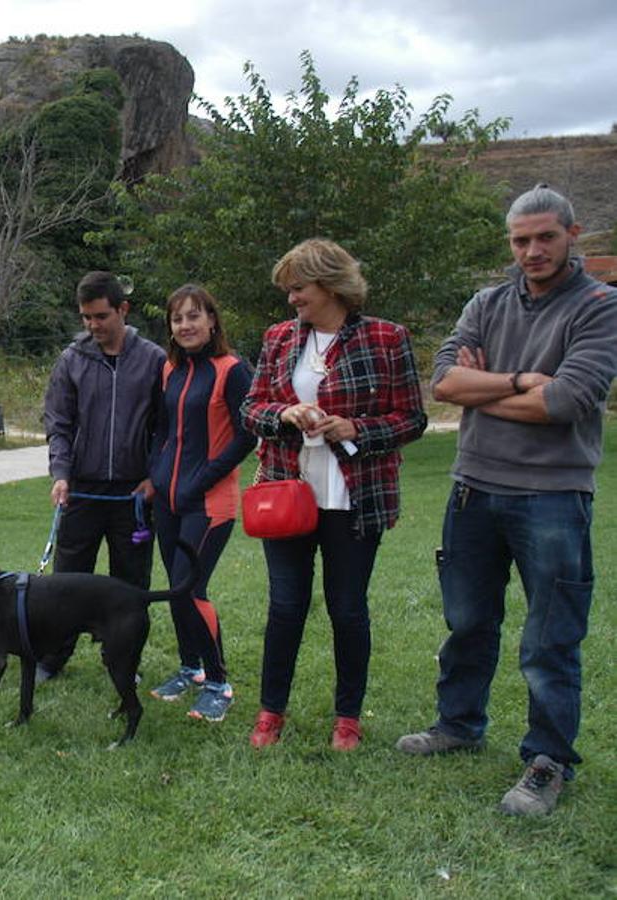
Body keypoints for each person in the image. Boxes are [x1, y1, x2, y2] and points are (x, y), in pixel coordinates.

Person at [395, 184, 617, 816]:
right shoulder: (487, 302)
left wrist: (482, 386)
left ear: (572, 235)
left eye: (546, 236)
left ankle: (547, 761)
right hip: (473, 488)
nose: (532, 250)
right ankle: (459, 724)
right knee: (467, 622)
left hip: (553, 495)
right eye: (521, 240)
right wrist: (521, 380)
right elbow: (442, 381)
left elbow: (567, 402)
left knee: (549, 637)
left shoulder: (600, 306)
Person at [241, 238, 426, 751]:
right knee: (285, 607)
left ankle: (348, 718)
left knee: (347, 609)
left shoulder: (387, 338)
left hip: (355, 499)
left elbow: (413, 418)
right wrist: (284, 414)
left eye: (298, 289)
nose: (291, 300)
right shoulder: (279, 339)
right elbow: (251, 408)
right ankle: (269, 712)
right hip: (287, 495)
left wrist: (358, 429)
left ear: (330, 285)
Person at [41, 271, 166, 679]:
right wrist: (61, 473)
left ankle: (124, 662)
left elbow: (167, 426)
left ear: (123, 310)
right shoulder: (72, 360)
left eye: (101, 316)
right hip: (82, 491)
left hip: (133, 494)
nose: (93, 326)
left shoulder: (154, 360)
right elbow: (58, 423)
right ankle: (52, 658)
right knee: (65, 582)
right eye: (85, 318)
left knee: (130, 586)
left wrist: (155, 476)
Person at [147, 285, 255, 722]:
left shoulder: (233, 370)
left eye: (194, 316)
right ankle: (189, 669)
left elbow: (248, 435)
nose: (186, 325)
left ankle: (218, 682)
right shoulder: (170, 370)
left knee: (191, 589)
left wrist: (202, 479)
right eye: (178, 319)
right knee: (175, 589)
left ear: (212, 320)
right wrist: (155, 475)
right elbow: (162, 430)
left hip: (210, 502)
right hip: (168, 501)